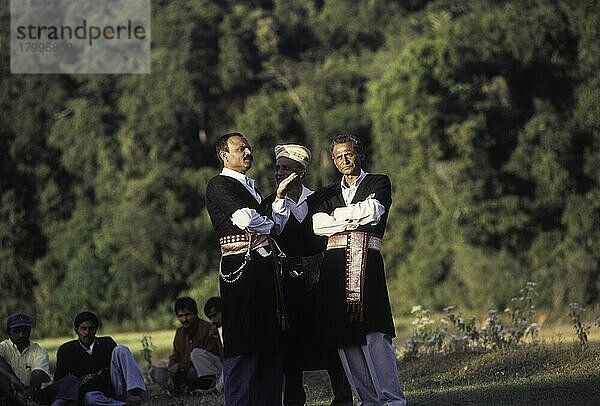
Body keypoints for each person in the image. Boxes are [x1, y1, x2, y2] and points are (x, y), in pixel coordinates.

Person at [312, 135, 407, 405]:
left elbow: (374, 212)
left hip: (368, 264)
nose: (344, 160)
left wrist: (337, 218)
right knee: (345, 337)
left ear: (359, 154)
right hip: (334, 268)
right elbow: (318, 227)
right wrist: (354, 216)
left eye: (349, 154)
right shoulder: (326, 193)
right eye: (339, 156)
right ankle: (368, 400)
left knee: (375, 332)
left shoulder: (378, 182)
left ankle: (392, 400)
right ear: (332, 160)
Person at [263, 144, 352, 405]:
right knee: (289, 344)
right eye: (277, 168)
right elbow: (274, 231)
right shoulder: (271, 203)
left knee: (329, 337)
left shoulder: (322, 198)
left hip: (321, 275)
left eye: (287, 168)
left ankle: (343, 398)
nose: (280, 173)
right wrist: (279, 198)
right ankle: (293, 401)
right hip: (286, 282)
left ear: (300, 172)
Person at [205, 132, 286, 405]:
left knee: (268, 336)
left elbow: (262, 219)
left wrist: (271, 214)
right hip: (239, 268)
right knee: (244, 336)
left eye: (248, 147)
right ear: (224, 155)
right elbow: (245, 219)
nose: (248, 151)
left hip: (263, 267)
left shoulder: (252, 187)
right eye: (241, 148)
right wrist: (270, 224)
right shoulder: (219, 185)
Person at [54, 311, 148, 405]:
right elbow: (59, 380)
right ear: (76, 330)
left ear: (96, 329)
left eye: (91, 329)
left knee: (121, 349)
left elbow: (116, 368)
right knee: (90, 399)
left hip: (112, 387)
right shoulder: (66, 350)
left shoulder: (107, 343)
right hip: (89, 393)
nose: (87, 333)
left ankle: (137, 391)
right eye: (83, 329)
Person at [0, 313, 79, 406]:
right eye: (16, 331)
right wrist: (12, 378)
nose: (21, 335)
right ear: (9, 333)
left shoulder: (39, 351)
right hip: (7, 394)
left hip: (31, 393)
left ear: (30, 331)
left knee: (70, 380)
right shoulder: (3, 347)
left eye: (25, 330)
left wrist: (31, 390)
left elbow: (37, 374)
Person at [150, 297, 223, 393]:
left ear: (195, 313)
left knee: (193, 371)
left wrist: (180, 366)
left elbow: (205, 359)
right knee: (156, 373)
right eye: (181, 316)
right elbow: (175, 355)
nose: (184, 319)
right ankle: (183, 387)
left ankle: (187, 387)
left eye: (188, 315)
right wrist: (172, 373)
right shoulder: (180, 332)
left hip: (200, 371)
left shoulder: (207, 328)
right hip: (183, 371)